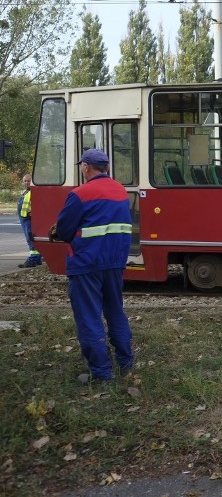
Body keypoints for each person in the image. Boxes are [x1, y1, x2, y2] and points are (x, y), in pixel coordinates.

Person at [49, 149, 134, 384]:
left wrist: (58, 229)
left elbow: (65, 231)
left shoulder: (80, 194)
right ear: (106, 167)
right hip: (115, 262)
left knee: (89, 317)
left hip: (86, 262)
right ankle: (126, 364)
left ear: (86, 167)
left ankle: (102, 373)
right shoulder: (120, 191)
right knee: (115, 311)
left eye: (81, 166)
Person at [16, 173, 42, 268]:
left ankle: (33, 259)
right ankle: (38, 258)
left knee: (31, 239)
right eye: (25, 181)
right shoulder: (26, 192)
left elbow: (40, 205)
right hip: (25, 219)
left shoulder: (34, 192)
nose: (27, 183)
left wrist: (34, 213)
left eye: (28, 181)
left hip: (29, 219)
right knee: (30, 239)